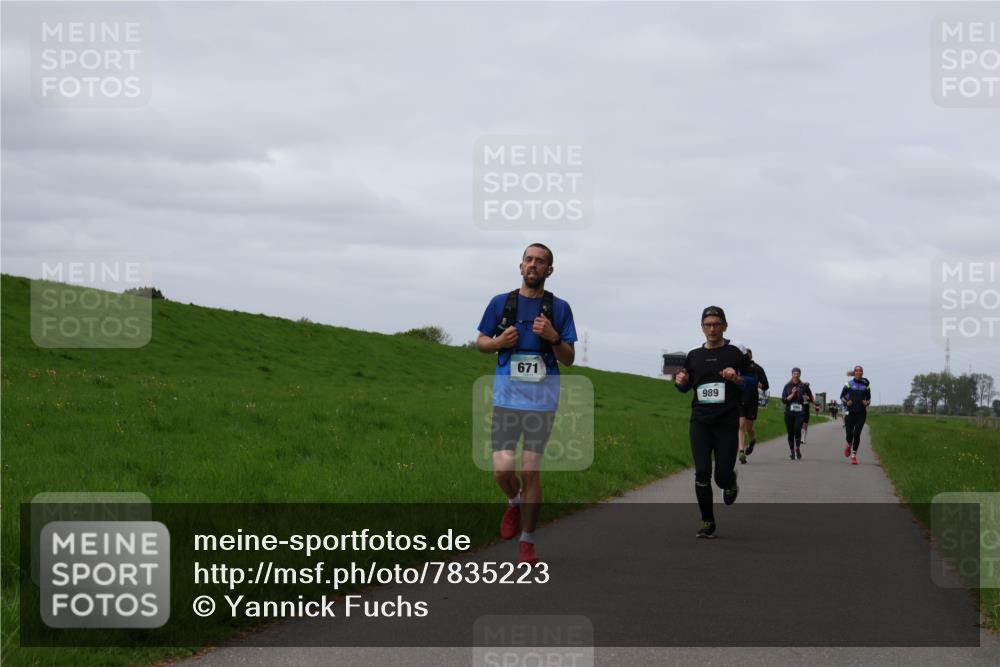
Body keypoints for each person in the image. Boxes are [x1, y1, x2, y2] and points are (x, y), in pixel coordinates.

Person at [476, 243, 577, 564]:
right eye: (529, 260)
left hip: (542, 402)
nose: (533, 265)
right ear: (521, 266)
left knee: (531, 470)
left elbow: (569, 358)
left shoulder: (559, 309)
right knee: (501, 471)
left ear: (549, 270)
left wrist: (553, 337)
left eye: (541, 262)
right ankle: (513, 501)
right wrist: (497, 342)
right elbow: (481, 342)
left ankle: (527, 543)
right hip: (506, 400)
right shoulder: (500, 303)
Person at [674, 306, 755, 538]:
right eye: (708, 324)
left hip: (727, 421)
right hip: (700, 421)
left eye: (716, 324)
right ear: (702, 327)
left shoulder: (734, 353)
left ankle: (730, 482)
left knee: (721, 476)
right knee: (701, 473)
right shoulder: (694, 356)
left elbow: (752, 383)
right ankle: (707, 521)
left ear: (725, 326)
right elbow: (685, 386)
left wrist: (737, 378)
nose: (712, 329)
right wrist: (680, 381)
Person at [738, 349, 768, 463]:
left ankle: (752, 441)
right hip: (740, 399)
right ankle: (741, 451)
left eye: (747, 356)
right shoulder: (738, 367)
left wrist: (757, 384)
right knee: (741, 425)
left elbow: (766, 386)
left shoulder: (758, 368)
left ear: (750, 357)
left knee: (748, 428)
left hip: (752, 400)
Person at [840, 365, 871, 465]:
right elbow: (841, 397)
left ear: (862, 373)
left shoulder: (866, 384)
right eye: (857, 371)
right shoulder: (848, 384)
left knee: (857, 434)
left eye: (860, 371)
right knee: (849, 435)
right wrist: (846, 402)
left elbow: (869, 398)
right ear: (854, 373)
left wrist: (867, 403)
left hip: (861, 413)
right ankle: (849, 445)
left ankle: (853, 456)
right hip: (850, 413)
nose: (859, 373)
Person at [781, 368, 814, 460]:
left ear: (800, 375)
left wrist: (807, 397)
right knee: (790, 433)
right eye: (794, 373)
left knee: (797, 430)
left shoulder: (804, 386)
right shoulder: (787, 386)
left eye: (798, 373)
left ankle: (797, 448)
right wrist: (792, 394)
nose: (796, 375)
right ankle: (792, 452)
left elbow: (811, 398)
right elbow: (783, 400)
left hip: (800, 412)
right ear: (792, 374)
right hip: (789, 413)